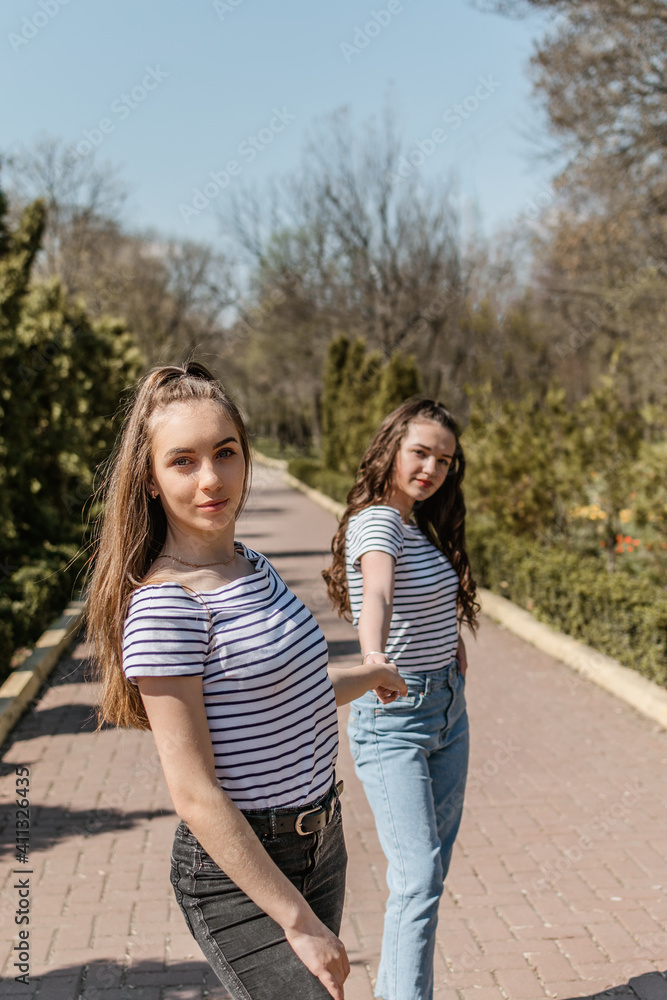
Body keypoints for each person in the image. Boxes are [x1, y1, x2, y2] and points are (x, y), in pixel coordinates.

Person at [86, 362, 408, 1000]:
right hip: (238, 868)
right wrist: (297, 921)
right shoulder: (166, 607)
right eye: (182, 461)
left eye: (225, 453)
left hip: (321, 841)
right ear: (149, 480)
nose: (211, 479)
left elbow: (287, 692)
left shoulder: (252, 566)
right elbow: (195, 794)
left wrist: (368, 673)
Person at [323, 398, 479, 1000]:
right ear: (391, 448)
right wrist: (374, 659)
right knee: (417, 880)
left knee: (426, 877)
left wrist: (453, 642)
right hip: (396, 717)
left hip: (447, 710)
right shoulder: (379, 521)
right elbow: (378, 592)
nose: (432, 467)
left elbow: (419, 592)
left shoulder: (412, 521)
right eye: (420, 452)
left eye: (444, 459)